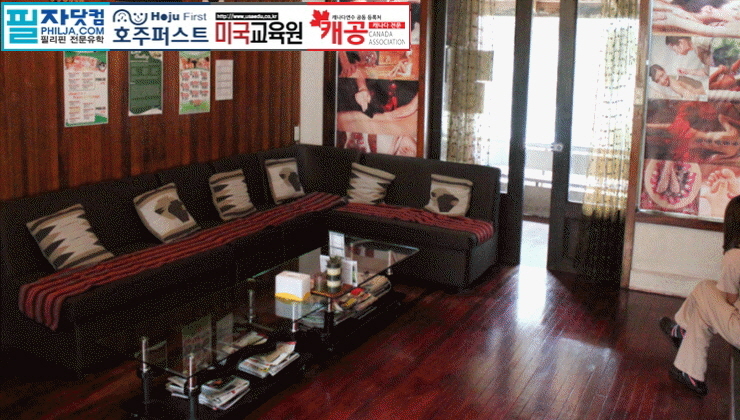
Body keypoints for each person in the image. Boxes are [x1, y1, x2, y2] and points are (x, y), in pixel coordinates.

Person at [660, 195, 740, 396]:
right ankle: (689, 372)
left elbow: (730, 299)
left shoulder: (734, 257)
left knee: (705, 291)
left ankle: (682, 330)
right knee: (705, 297)